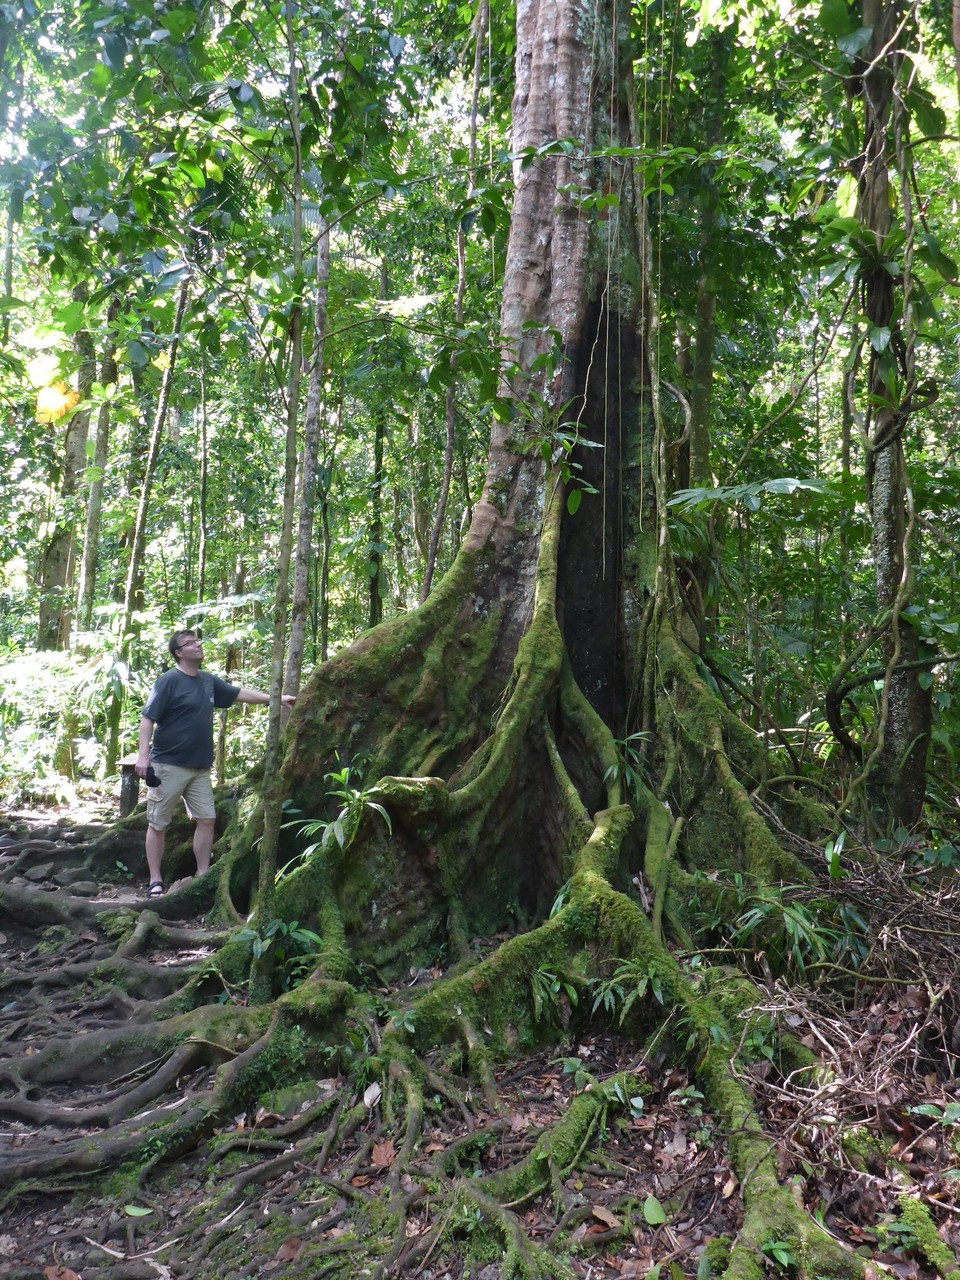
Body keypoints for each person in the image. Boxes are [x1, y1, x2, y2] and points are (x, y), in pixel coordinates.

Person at [135, 629, 295, 898]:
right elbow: (147, 718)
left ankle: (202, 874)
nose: (198, 645)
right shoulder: (168, 682)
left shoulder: (208, 682)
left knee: (207, 820)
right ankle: (155, 880)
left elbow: (238, 694)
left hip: (200, 768)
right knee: (158, 823)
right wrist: (143, 756)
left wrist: (275, 699)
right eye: (190, 643)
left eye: (198, 640)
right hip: (169, 765)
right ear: (178, 653)